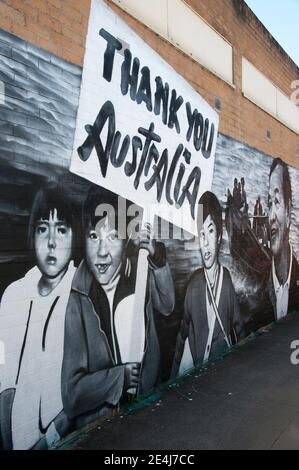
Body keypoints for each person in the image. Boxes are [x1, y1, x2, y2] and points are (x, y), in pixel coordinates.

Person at [61, 187, 175, 429]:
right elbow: (72, 396)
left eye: (112, 237)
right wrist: (119, 378)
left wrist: (157, 259)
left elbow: (167, 306)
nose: (101, 252)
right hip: (103, 428)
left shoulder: (139, 274)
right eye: (94, 236)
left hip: (149, 406)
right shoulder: (79, 297)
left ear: (125, 242)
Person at [0, 185, 77, 450]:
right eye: (43, 229)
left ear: (74, 236)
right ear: (32, 235)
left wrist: (48, 440)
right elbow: (5, 380)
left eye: (62, 230)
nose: (52, 242)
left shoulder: (82, 296)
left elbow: (82, 390)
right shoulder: (14, 294)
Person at [171, 191, 244, 377]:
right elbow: (182, 335)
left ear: (219, 235)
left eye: (210, 232)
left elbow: (239, 328)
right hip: (199, 378)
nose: (205, 243)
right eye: (201, 234)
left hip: (223, 375)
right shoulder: (194, 284)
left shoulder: (226, 279)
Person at [267, 158, 299, 320]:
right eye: (269, 203)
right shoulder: (259, 291)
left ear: (288, 211)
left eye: (277, 202)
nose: (271, 216)